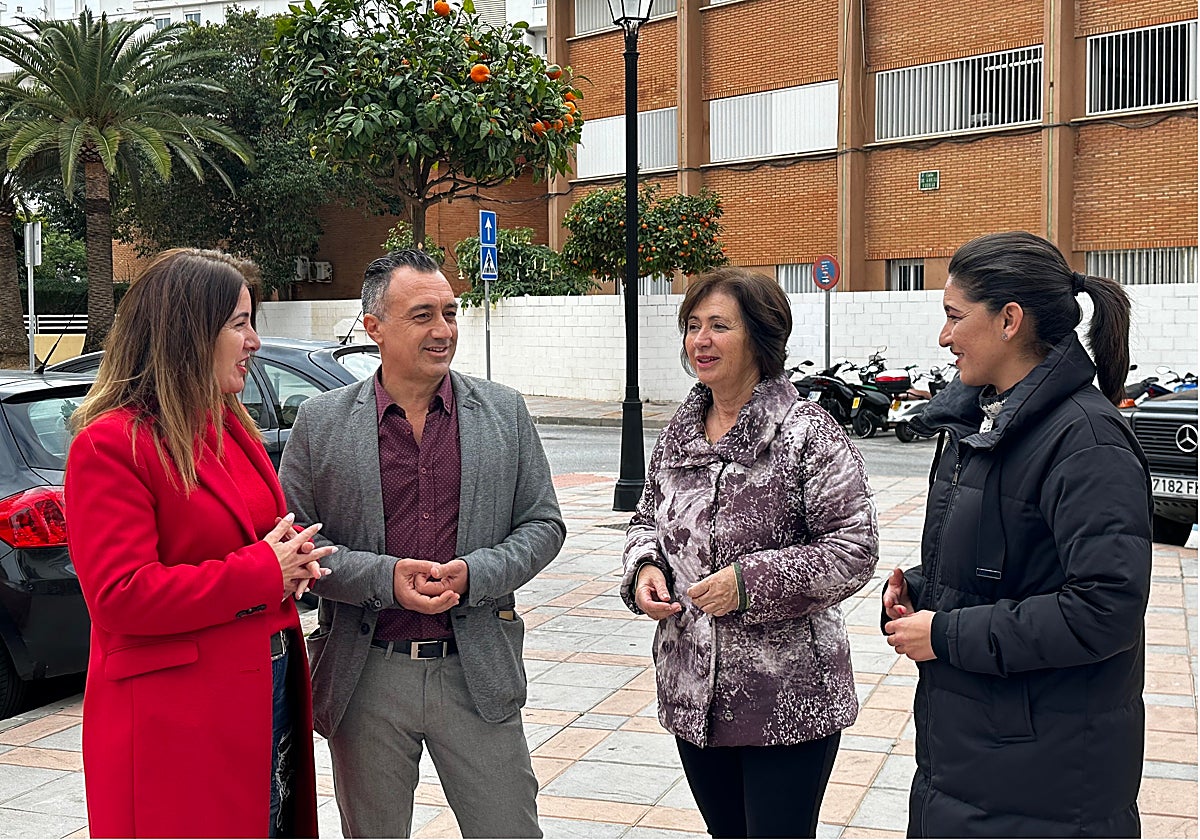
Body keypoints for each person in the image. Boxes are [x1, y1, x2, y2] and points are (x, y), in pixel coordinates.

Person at [278, 249, 565, 838]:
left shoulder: (504, 411)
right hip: (367, 675)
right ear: (374, 326)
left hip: (476, 669)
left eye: (450, 313)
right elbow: (297, 544)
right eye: (422, 315)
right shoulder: (321, 422)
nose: (443, 331)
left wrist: (477, 573)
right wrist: (384, 580)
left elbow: (544, 524)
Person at [882, 231, 1153, 837]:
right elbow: (1009, 565)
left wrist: (946, 633)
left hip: (1044, 779)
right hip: (973, 756)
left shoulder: (1086, 440)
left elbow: (1105, 609)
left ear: (1009, 320)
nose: (944, 337)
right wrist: (923, 594)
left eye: (955, 316)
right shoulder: (985, 423)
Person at [64, 248, 331, 838]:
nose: (255, 342)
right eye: (240, 324)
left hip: (265, 686)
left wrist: (292, 558)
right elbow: (120, 596)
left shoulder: (228, 423)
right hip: (179, 718)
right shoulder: (111, 444)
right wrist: (264, 570)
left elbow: (250, 537)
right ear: (188, 334)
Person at [621, 267, 879, 839]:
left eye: (719, 326)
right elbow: (645, 519)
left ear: (761, 338)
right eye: (693, 326)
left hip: (786, 695)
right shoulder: (680, 433)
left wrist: (748, 581)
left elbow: (854, 548)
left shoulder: (807, 434)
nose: (701, 340)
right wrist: (645, 568)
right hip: (694, 690)